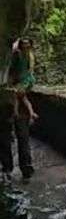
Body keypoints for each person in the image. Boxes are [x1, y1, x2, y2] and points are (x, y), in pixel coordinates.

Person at [2, 37, 37, 180]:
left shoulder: (20, 55)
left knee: (15, 137)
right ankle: (13, 169)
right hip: (8, 100)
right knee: (15, 137)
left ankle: (13, 169)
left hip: (12, 99)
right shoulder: (18, 55)